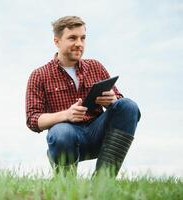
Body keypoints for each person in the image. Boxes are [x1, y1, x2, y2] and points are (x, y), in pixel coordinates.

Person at [25, 16, 141, 177]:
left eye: (83, 38)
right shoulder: (39, 75)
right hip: (65, 139)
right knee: (62, 132)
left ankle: (104, 180)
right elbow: (33, 120)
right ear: (56, 41)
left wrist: (113, 100)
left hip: (98, 133)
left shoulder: (95, 67)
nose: (79, 43)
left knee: (128, 105)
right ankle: (66, 181)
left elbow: (121, 106)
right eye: (72, 38)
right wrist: (66, 115)